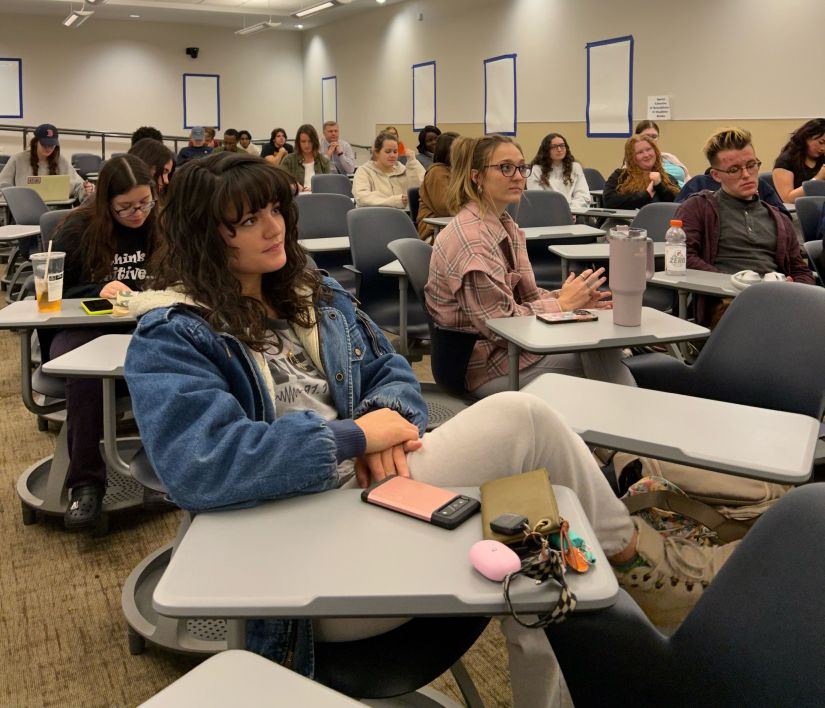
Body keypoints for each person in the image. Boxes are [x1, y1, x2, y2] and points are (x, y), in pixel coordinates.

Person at [123, 152, 735, 704]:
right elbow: (201, 465)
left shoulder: (312, 293)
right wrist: (357, 438)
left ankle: (617, 605)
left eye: (275, 210)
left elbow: (393, 371)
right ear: (206, 235)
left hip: (376, 495)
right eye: (247, 220)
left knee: (532, 529)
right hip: (295, 574)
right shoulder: (174, 333)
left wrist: (380, 423)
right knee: (522, 418)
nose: (275, 227)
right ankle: (634, 561)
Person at [425, 135, 636, 397]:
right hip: (484, 366)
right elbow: (501, 326)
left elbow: (524, 297)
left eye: (521, 167)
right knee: (600, 360)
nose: (517, 176)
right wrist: (562, 305)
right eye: (505, 168)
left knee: (599, 345)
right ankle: (629, 427)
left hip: (509, 352)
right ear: (476, 177)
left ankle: (622, 426)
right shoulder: (472, 241)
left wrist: (570, 298)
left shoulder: (503, 224)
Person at [48, 155, 158, 528]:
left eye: (144, 202)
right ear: (106, 202)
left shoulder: (162, 225)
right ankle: (85, 483)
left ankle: (164, 465)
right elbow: (54, 292)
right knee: (85, 374)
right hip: (85, 326)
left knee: (179, 358)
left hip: (144, 322)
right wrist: (99, 289)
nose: (137, 213)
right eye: (125, 207)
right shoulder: (77, 229)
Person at [676, 127, 814, 325]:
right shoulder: (698, 207)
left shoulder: (777, 217)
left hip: (779, 298)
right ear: (716, 175)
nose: (747, 174)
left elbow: (800, 270)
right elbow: (683, 257)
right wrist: (733, 282)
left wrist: (797, 290)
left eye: (751, 165)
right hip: (727, 300)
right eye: (734, 170)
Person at [0, 123, 92, 202]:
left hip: (56, 210)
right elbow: (3, 187)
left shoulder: (61, 160)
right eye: (44, 144)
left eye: (51, 145)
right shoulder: (17, 159)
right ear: (36, 142)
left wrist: (86, 189)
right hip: (25, 210)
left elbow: (78, 185)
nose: (48, 148)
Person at [603, 135, 679, 209]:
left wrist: (659, 186)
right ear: (632, 157)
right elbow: (609, 201)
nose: (646, 155)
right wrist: (646, 195)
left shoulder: (667, 178)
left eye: (649, 149)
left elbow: (678, 202)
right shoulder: (620, 176)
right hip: (625, 221)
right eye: (640, 152)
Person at [352, 131, 424, 208]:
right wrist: (394, 201)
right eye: (388, 151)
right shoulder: (364, 171)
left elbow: (423, 187)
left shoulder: (403, 170)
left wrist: (413, 162)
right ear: (377, 152)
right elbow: (362, 198)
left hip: (405, 216)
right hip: (375, 217)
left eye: (395, 152)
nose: (392, 155)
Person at [526, 132, 591, 210]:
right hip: (548, 212)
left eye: (562, 146)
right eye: (554, 147)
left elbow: (583, 195)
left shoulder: (575, 167)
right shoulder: (536, 170)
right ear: (546, 150)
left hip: (574, 211)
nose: (559, 149)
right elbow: (537, 199)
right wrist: (561, 212)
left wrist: (572, 211)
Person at [416, 131, 459, 241]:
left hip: (451, 225)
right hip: (433, 229)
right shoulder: (436, 172)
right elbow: (446, 208)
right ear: (447, 152)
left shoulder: (456, 172)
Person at [771, 118, 825, 203]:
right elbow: (788, 199)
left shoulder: (822, 158)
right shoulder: (786, 161)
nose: (823, 149)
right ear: (806, 137)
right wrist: (818, 178)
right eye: (821, 142)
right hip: (799, 212)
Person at [634, 120, 691, 188]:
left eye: (654, 136)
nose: (651, 140)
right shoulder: (634, 162)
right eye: (646, 137)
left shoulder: (668, 157)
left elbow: (687, 176)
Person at [280, 124, 331, 191]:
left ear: (315, 141)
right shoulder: (288, 160)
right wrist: (293, 186)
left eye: (310, 141)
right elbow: (280, 183)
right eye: (303, 141)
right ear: (298, 142)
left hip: (318, 198)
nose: (307, 145)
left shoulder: (324, 161)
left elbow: (328, 185)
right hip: (296, 199)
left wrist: (317, 188)